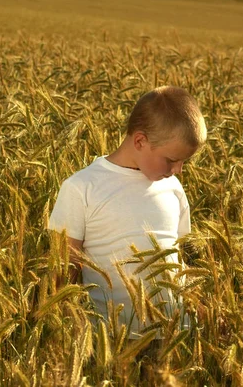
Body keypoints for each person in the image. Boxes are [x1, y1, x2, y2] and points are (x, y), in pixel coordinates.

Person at [48, 86, 207, 340]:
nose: (178, 170)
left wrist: (201, 309)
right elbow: (65, 270)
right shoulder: (81, 188)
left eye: (183, 162)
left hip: (174, 334)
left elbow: (177, 261)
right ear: (140, 141)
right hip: (111, 337)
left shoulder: (173, 188)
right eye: (171, 160)